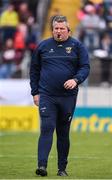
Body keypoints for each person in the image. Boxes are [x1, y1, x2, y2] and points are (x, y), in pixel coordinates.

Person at [30, 15, 90, 177]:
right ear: (52, 30)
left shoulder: (77, 46)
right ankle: (41, 166)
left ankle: (61, 168)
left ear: (68, 30)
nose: (58, 31)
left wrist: (76, 79)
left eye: (62, 28)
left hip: (68, 97)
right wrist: (35, 92)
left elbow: (85, 67)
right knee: (47, 128)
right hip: (47, 96)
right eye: (56, 28)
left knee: (63, 132)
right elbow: (34, 70)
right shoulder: (42, 46)